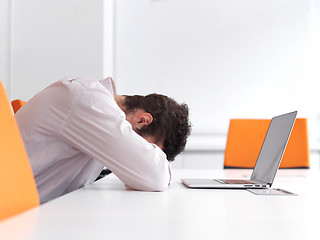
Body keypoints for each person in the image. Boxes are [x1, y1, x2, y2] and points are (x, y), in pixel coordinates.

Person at [15, 76, 191, 203]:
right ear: (142, 120)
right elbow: (156, 176)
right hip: (17, 220)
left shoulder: (93, 106)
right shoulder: (88, 99)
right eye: (146, 147)